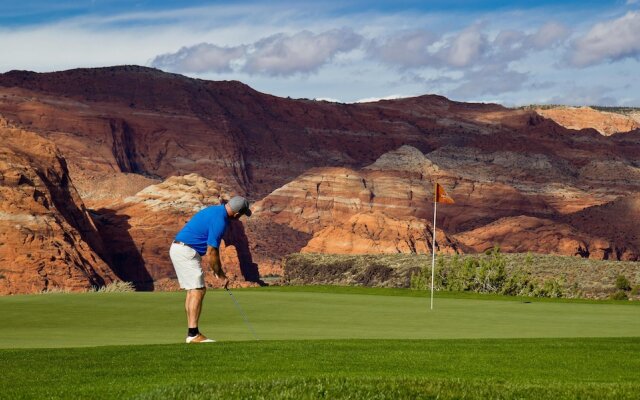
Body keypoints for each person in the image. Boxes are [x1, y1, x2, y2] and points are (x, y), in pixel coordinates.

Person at [169, 196, 252, 343]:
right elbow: (212, 250)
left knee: (193, 290)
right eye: (243, 214)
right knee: (197, 290)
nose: (240, 218)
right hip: (186, 250)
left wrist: (216, 271)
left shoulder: (215, 211)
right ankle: (193, 334)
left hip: (180, 248)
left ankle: (192, 333)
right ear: (238, 213)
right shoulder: (220, 220)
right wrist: (220, 275)